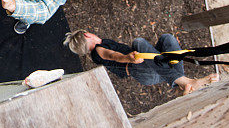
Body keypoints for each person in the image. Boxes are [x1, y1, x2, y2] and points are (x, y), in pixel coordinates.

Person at [64, 30, 219, 94]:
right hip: (141, 69)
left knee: (167, 39)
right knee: (138, 42)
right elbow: (113, 55)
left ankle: (182, 82)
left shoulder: (98, 50)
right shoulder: (98, 51)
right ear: (87, 35)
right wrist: (127, 58)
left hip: (153, 70)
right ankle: (184, 80)